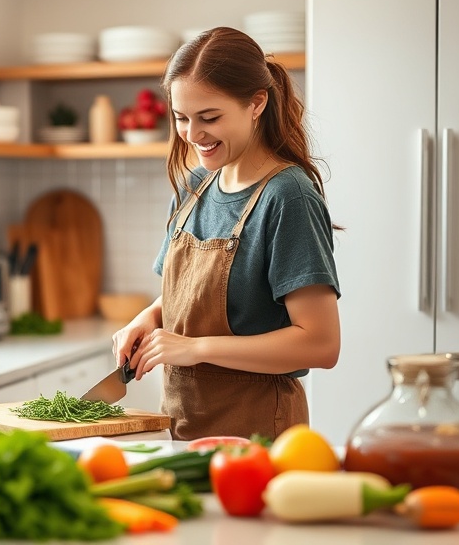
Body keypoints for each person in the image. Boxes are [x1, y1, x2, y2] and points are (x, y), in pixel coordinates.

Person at [111, 27, 341, 441]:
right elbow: (191, 292)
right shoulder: (192, 188)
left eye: (210, 117)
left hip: (259, 438)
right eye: (181, 118)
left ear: (256, 103)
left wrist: (195, 348)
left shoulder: (287, 196)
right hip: (185, 432)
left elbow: (321, 343)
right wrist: (148, 318)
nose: (193, 135)